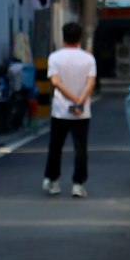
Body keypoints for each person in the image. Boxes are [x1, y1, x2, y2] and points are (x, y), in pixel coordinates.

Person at [42, 20, 96, 198]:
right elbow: (90, 82)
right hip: (82, 112)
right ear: (80, 38)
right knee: (80, 148)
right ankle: (78, 184)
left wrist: (71, 98)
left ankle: (54, 181)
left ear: (63, 37)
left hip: (60, 110)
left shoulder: (54, 58)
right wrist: (80, 100)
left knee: (55, 146)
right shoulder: (88, 59)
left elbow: (55, 81)